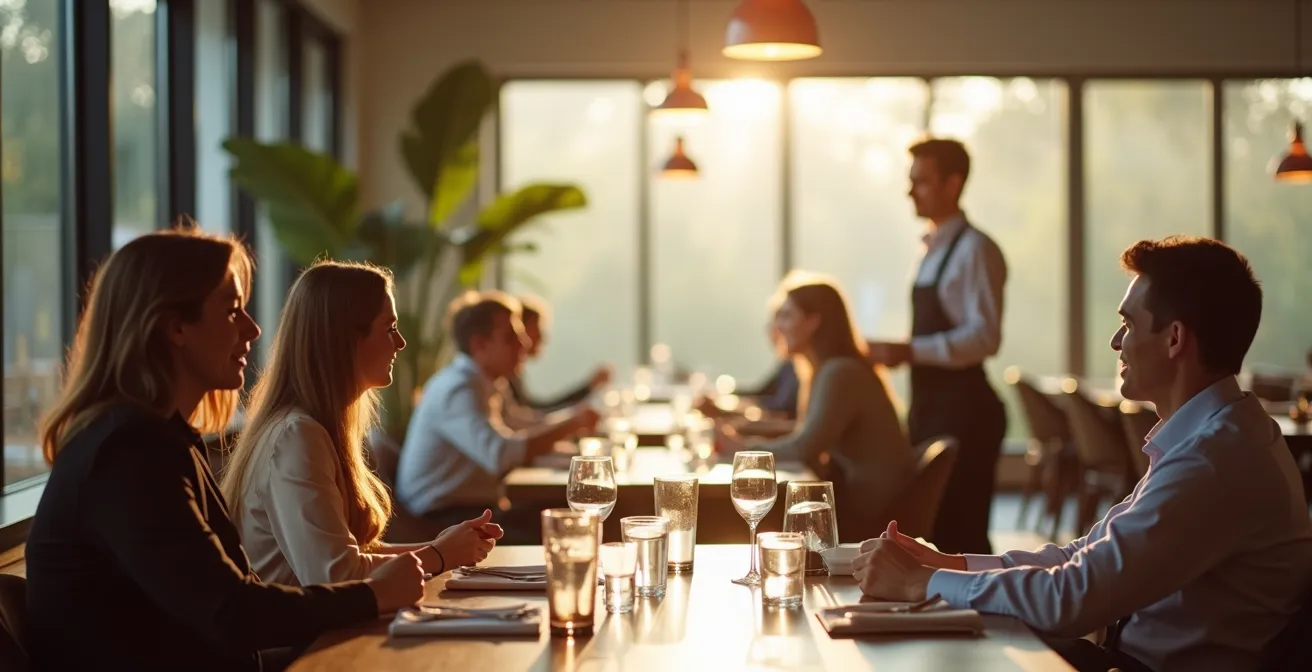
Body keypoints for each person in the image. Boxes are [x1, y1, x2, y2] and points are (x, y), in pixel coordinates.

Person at [853, 236, 1312, 672]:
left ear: (1174, 340)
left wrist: (922, 582)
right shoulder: (1212, 437)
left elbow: (1072, 599)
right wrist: (946, 564)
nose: (1116, 341)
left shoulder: (1215, 461)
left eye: (1129, 323)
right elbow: (1083, 556)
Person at [24, 228, 424, 671]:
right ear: (175, 326)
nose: (252, 329)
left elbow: (232, 600)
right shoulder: (128, 453)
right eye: (232, 311)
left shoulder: (157, 440)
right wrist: (373, 594)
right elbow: (232, 613)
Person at [221, 260, 501, 587]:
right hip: (306, 639)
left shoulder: (313, 428)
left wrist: (447, 547)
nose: (401, 343)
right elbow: (336, 576)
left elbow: (351, 556)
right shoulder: (296, 436)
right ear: (346, 338)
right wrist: (439, 555)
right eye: (390, 328)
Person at [866, 138, 1008, 555]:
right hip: (933, 409)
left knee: (961, 535)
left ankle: (972, 618)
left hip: (967, 413)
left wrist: (909, 351)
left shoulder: (976, 250)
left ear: (953, 183)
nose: (910, 191)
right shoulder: (930, 248)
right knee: (933, 531)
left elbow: (986, 338)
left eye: (921, 182)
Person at [716, 271, 915, 540]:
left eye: (786, 316)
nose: (778, 327)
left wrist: (742, 452)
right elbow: (804, 433)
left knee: (749, 517)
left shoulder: (839, 373)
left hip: (862, 510)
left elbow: (804, 446)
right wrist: (746, 433)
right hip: (858, 499)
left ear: (813, 322)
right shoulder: (829, 369)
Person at [396, 291, 600, 544]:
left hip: (471, 512)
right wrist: (573, 423)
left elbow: (524, 424)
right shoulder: (458, 390)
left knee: (582, 512)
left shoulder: (487, 383)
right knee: (578, 523)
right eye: (512, 337)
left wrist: (573, 427)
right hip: (442, 523)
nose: (525, 344)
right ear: (479, 345)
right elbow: (500, 454)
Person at [506, 294, 611, 414]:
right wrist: (587, 389)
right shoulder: (504, 375)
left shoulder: (513, 374)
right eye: (539, 329)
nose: (544, 337)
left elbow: (534, 413)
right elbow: (535, 414)